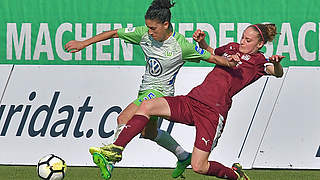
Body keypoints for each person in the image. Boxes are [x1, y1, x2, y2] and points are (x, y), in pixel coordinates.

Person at [64, 0, 238, 179]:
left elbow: (213, 58)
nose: (149, 32)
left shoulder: (182, 46)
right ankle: (183, 156)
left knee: (123, 117)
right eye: (148, 27)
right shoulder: (144, 35)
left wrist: (230, 62)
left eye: (153, 28)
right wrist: (84, 43)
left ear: (166, 24)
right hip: (145, 90)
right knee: (149, 133)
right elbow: (114, 33)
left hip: (160, 93)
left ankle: (111, 158)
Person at [94, 23, 285, 180]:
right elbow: (212, 52)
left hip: (212, 113)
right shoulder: (231, 47)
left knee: (199, 166)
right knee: (147, 105)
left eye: (248, 40)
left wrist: (276, 63)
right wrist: (202, 42)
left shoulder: (259, 62)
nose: (242, 41)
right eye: (242, 37)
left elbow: (277, 73)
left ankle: (236, 176)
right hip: (193, 100)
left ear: (259, 44)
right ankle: (116, 150)